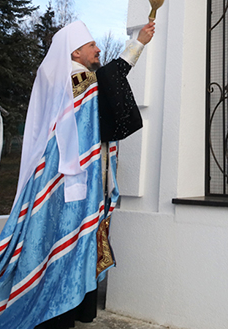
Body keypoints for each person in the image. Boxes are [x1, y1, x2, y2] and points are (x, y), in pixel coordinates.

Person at [30, 19, 154, 329]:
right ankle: (61, 311)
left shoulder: (65, 79)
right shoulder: (75, 79)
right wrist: (137, 43)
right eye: (91, 46)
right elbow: (109, 79)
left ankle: (69, 309)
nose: (97, 48)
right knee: (71, 239)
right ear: (74, 53)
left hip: (64, 177)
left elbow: (104, 87)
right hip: (71, 179)